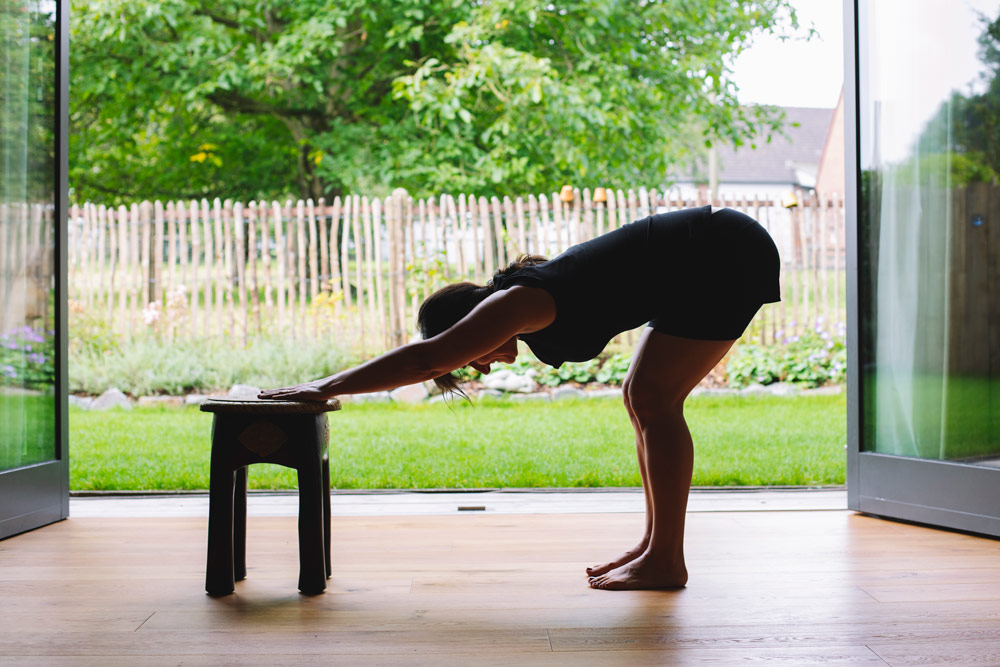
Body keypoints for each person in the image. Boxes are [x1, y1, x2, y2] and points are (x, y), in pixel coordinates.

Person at [259, 204, 781, 590]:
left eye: (473, 355)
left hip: (722, 252)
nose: (480, 364)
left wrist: (325, 386)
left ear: (469, 322)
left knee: (653, 397)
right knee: (642, 396)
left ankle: (666, 559)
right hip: (703, 260)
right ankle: (655, 548)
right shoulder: (525, 301)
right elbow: (438, 356)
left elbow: (425, 360)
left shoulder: (516, 303)